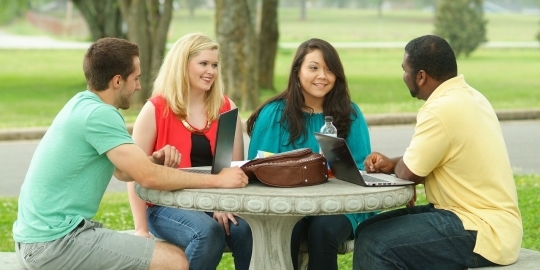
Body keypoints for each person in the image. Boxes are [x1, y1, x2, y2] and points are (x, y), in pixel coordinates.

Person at [12, 37, 248, 270]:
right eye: (135, 79)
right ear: (117, 81)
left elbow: (123, 171)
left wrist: (151, 160)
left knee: (184, 252)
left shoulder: (81, 104)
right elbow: (148, 178)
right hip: (55, 243)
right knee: (176, 261)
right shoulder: (102, 116)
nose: (138, 86)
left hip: (42, 238)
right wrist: (217, 180)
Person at [353, 35, 523, 269]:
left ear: (420, 76)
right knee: (366, 230)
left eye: (405, 70)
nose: (403, 76)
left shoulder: (439, 108)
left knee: (375, 243)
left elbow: (410, 173)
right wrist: (393, 163)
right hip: (485, 222)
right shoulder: (471, 97)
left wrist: (398, 166)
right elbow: (423, 163)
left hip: (482, 229)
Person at [246, 38, 376, 270]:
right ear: (297, 72)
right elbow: (259, 168)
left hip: (338, 206)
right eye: (313, 68)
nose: (322, 76)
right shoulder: (274, 114)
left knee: (323, 231)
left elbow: (360, 170)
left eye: (329, 69)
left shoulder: (350, 113)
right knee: (286, 232)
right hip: (285, 206)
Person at [127, 33, 252, 270]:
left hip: (213, 200)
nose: (211, 71)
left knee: (244, 230)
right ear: (182, 65)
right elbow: (134, 173)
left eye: (214, 65)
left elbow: (234, 171)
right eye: (203, 64)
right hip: (164, 205)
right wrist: (141, 230)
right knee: (208, 232)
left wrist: (224, 204)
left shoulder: (226, 108)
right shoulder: (156, 108)